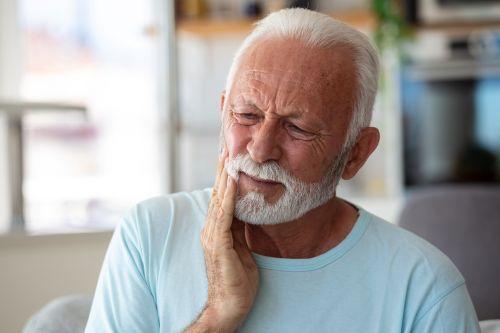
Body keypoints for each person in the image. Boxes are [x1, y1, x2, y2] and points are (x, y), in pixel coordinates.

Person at [85, 8, 480, 333]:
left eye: (297, 128)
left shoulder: (424, 287)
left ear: (355, 153)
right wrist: (219, 315)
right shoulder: (150, 234)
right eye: (246, 115)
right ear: (223, 110)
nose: (259, 149)